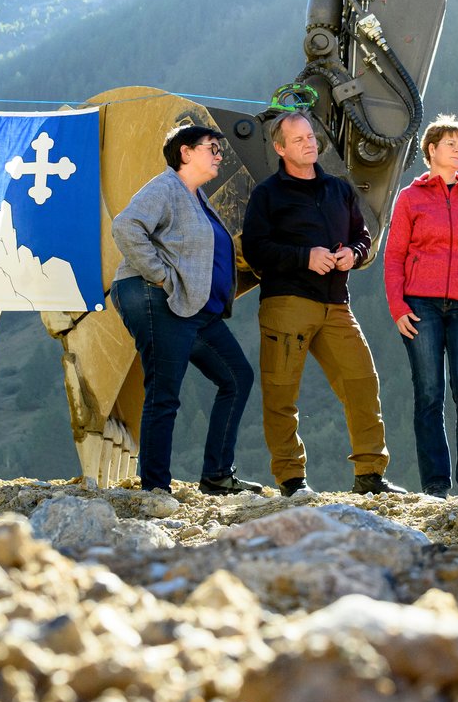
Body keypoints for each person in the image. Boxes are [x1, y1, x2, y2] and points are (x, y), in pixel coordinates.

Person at [241, 112, 403, 495]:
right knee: (281, 394)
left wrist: (354, 253)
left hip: (336, 304)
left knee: (362, 382)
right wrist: (304, 256)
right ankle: (291, 480)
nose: (309, 144)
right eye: (298, 140)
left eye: (310, 137)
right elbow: (255, 249)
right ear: (280, 149)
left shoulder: (339, 189)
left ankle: (370, 475)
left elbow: (363, 235)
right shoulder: (268, 194)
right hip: (287, 303)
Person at [107, 124, 262, 496]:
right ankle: (156, 487)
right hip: (153, 296)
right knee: (164, 391)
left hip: (190, 308)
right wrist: (160, 276)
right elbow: (126, 226)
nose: (219, 155)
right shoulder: (166, 187)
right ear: (185, 152)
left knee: (237, 376)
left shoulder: (196, 196)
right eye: (212, 147)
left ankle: (217, 475)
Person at [384, 115, 458, 495]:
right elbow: (394, 256)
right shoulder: (410, 197)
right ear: (432, 150)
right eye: (452, 144)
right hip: (421, 306)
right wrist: (397, 307)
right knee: (429, 394)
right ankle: (435, 485)